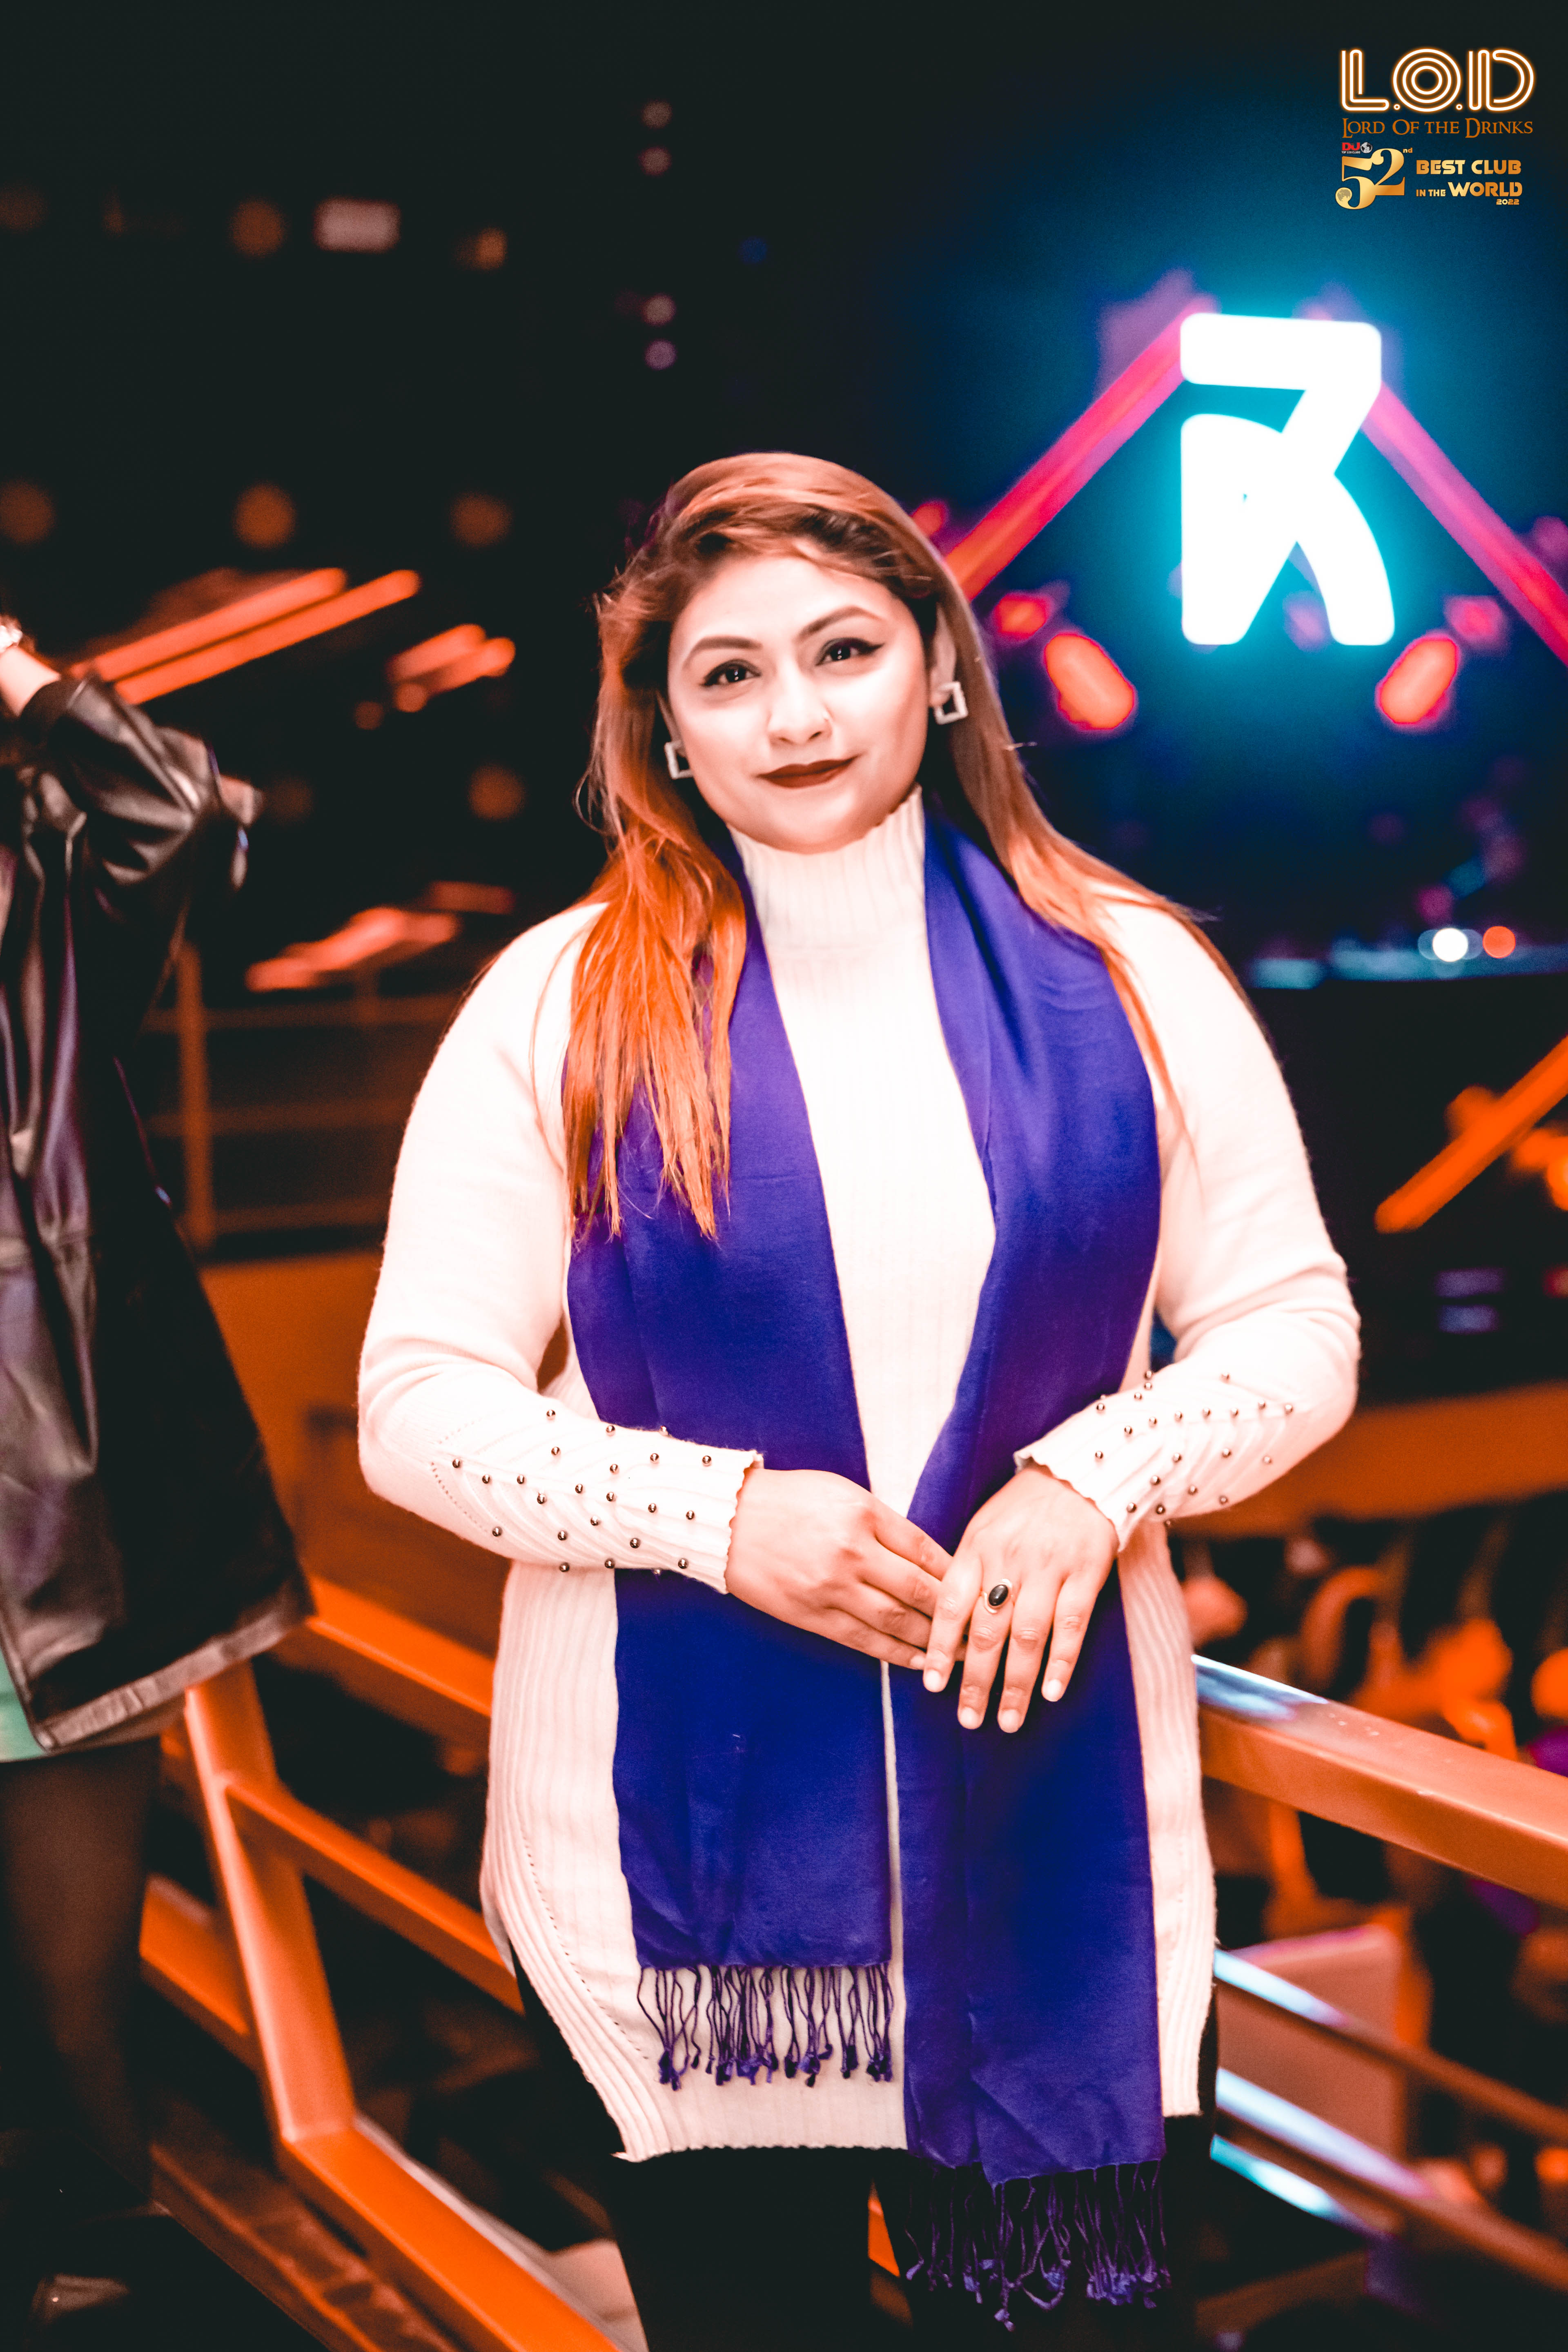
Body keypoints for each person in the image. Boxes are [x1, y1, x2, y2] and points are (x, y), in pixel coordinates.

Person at [359, 455, 1359, 2347]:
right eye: (729, 674)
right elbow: (416, 1403)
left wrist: (1095, 1475)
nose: (796, 715)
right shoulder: (558, 1002)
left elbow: (1293, 1324)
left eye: (843, 650)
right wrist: (723, 1518)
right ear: (664, 725)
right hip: (670, 1907)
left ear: (942, 667)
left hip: (1062, 1873)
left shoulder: (1133, 970)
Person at [0, 618, 309, 2192]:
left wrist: (19, 670)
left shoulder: (46, 928)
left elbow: (173, 810)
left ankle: (98, 2267)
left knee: (73, 2025)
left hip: (48, 1578)